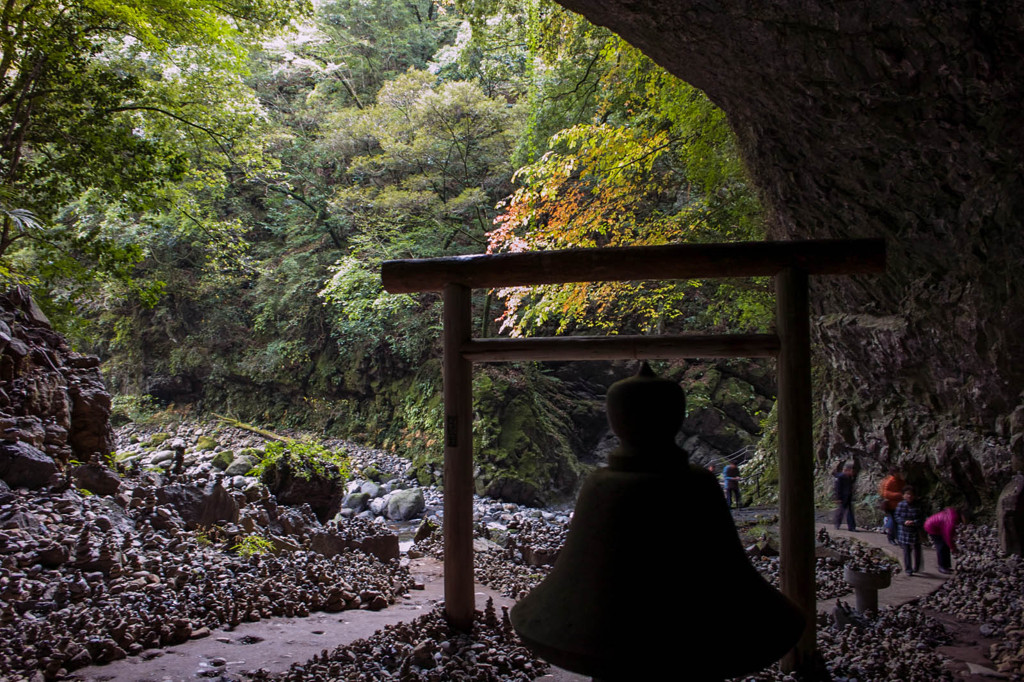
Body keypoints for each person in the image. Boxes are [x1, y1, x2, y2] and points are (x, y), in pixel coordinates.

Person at [894, 485, 924, 575]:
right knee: (906, 550)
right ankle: (908, 569)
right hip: (904, 530)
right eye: (907, 494)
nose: (909, 496)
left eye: (911, 494)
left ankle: (917, 567)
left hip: (916, 529)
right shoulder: (901, 505)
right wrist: (904, 522)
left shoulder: (919, 505)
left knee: (917, 549)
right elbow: (897, 516)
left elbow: (922, 517)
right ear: (903, 495)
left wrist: (914, 522)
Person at [924, 506, 962, 574]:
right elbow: (948, 536)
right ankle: (941, 566)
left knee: (946, 546)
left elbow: (951, 530)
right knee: (941, 546)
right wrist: (953, 548)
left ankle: (947, 565)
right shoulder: (951, 520)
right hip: (931, 527)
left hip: (938, 527)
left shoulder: (953, 516)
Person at [879, 468, 905, 545]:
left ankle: (897, 538)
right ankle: (892, 537)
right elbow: (885, 493)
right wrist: (899, 495)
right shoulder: (890, 481)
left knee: (897, 522)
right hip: (892, 506)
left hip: (899, 505)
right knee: (894, 522)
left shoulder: (900, 481)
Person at [833, 462, 857, 531]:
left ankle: (852, 527)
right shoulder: (840, 477)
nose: (852, 472)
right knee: (841, 511)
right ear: (847, 470)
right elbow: (837, 488)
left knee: (850, 512)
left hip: (848, 496)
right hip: (842, 497)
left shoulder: (849, 477)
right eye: (851, 471)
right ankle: (837, 524)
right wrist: (838, 498)